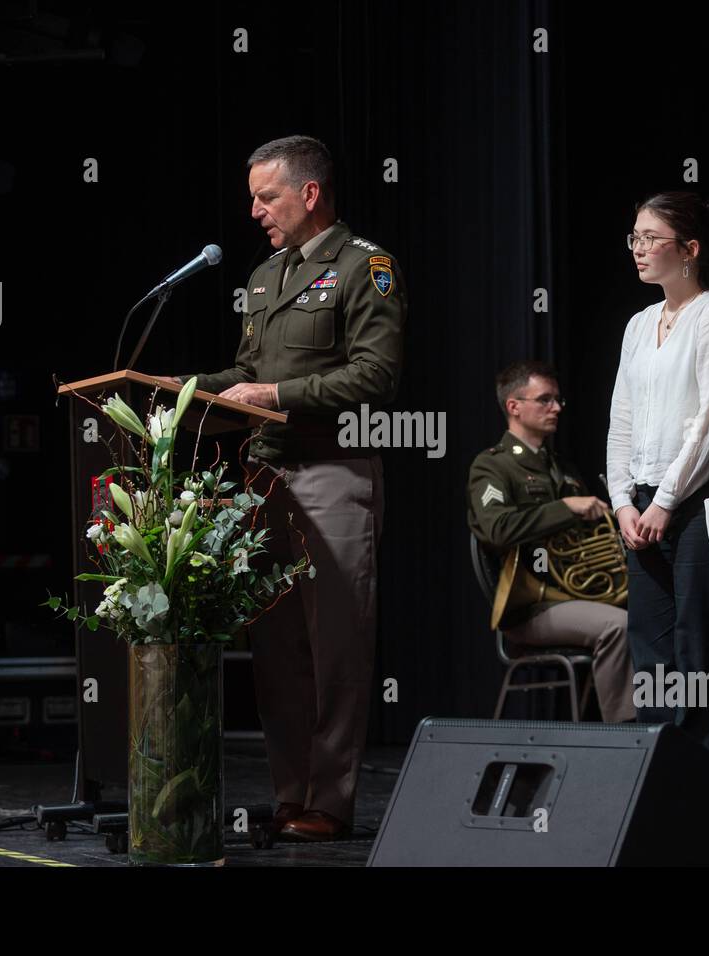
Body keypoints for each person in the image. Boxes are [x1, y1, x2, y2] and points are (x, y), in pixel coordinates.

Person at [174, 135, 407, 842]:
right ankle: (288, 793)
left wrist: (277, 391)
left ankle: (330, 802)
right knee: (275, 649)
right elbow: (242, 372)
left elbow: (376, 376)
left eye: (265, 196)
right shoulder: (265, 276)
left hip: (334, 472)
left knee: (334, 645)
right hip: (265, 477)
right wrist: (176, 392)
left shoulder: (368, 267)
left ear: (309, 194)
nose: (254, 211)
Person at [606, 191, 709, 769]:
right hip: (641, 502)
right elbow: (622, 417)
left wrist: (664, 500)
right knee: (651, 648)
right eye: (633, 237)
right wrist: (621, 501)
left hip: (695, 502)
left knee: (702, 648)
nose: (637, 249)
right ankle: (658, 773)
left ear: (688, 250)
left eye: (649, 238)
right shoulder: (639, 324)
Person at [468, 360, 634, 723]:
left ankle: (670, 727)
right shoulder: (492, 467)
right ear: (514, 406)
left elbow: (597, 537)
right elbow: (497, 530)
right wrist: (565, 508)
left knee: (657, 612)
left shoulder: (563, 467)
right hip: (531, 607)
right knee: (618, 627)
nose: (556, 407)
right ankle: (627, 738)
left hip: (579, 596)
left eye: (558, 400)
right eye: (545, 400)